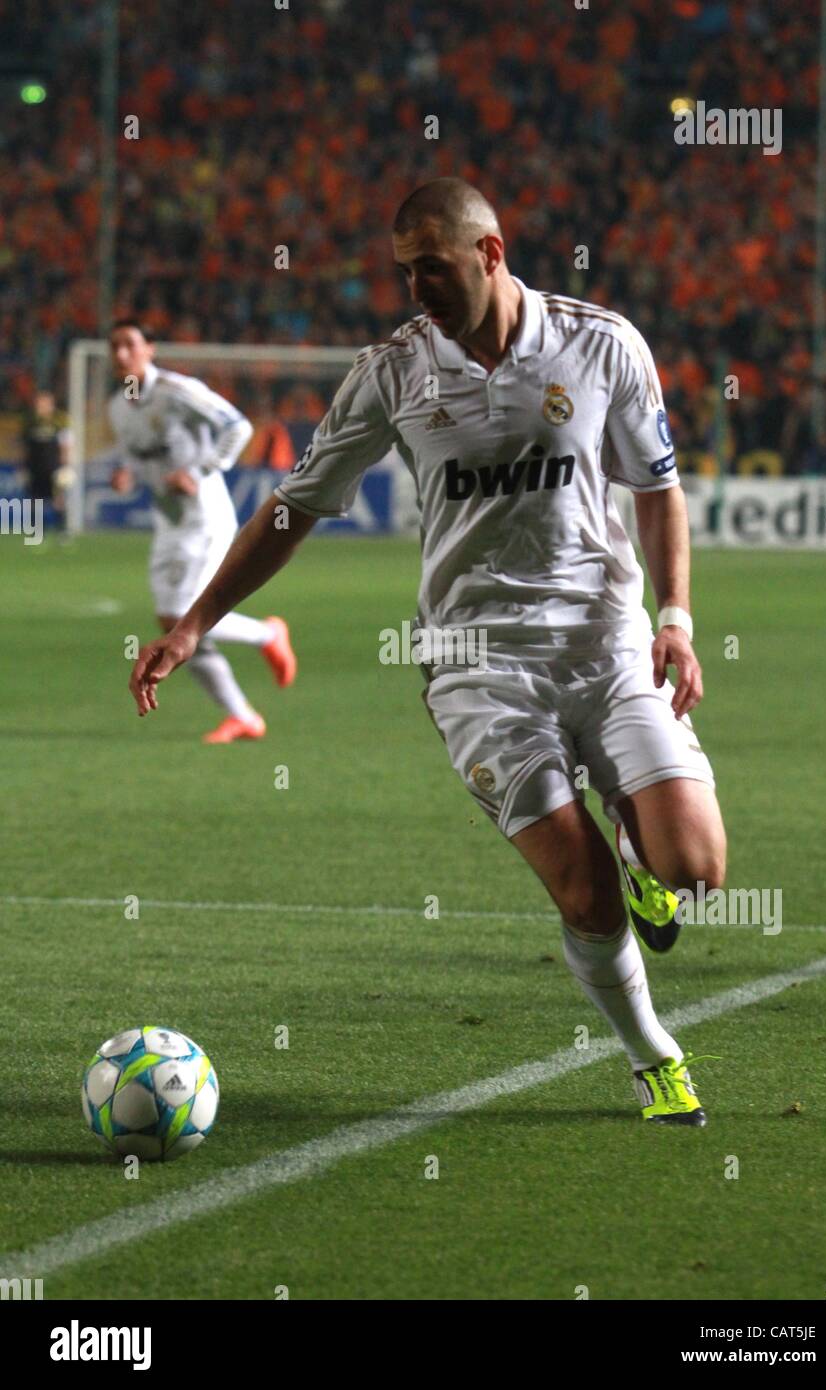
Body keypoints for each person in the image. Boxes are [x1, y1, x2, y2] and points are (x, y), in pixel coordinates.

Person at [129, 180, 726, 1123]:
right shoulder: (392, 372)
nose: (416, 289)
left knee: (698, 869)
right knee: (584, 893)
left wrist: (678, 617)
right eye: (404, 272)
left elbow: (656, 487)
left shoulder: (602, 343)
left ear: (490, 254)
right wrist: (196, 622)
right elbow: (294, 507)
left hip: (607, 644)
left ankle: (645, 851)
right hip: (475, 663)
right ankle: (653, 1053)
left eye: (433, 268)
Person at [109, 319, 297, 743]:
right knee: (169, 621)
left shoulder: (178, 391)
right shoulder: (119, 407)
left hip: (206, 516)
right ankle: (243, 716)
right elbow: (140, 460)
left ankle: (268, 634)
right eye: (114, 347)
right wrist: (128, 477)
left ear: (149, 349)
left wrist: (199, 469)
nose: (121, 354)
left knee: (181, 618)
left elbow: (238, 426)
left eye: (129, 345)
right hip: (169, 522)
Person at [21, 390, 74, 537]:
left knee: (58, 498)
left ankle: (62, 530)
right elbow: (25, 445)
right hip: (34, 466)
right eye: (38, 403)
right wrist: (23, 466)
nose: (40, 406)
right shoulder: (30, 421)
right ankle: (37, 531)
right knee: (35, 499)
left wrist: (65, 465)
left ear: (51, 404)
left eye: (43, 403)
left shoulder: (59, 420)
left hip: (53, 465)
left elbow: (66, 443)